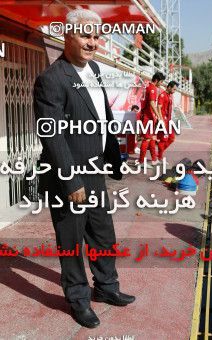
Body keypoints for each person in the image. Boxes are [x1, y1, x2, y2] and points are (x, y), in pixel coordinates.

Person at [33, 9, 135, 329]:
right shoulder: (51, 80)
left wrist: (112, 159)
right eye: (85, 35)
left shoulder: (94, 70)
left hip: (94, 171)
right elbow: (53, 134)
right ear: (67, 36)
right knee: (72, 240)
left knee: (102, 234)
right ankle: (77, 298)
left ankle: (106, 288)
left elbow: (100, 117)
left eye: (96, 36)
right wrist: (71, 179)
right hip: (69, 177)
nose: (92, 42)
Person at [139, 72, 166, 167]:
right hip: (147, 118)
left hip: (150, 117)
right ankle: (141, 162)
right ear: (157, 80)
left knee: (152, 139)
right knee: (146, 139)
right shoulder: (152, 89)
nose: (161, 84)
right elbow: (152, 103)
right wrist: (159, 116)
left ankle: (154, 159)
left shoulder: (151, 88)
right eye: (161, 82)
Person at [157, 81, 179, 163]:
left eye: (175, 90)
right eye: (173, 89)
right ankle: (159, 157)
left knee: (171, 138)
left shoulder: (169, 95)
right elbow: (158, 107)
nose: (174, 91)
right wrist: (161, 119)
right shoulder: (162, 95)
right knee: (163, 139)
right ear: (169, 87)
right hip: (164, 120)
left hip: (168, 120)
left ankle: (158, 153)